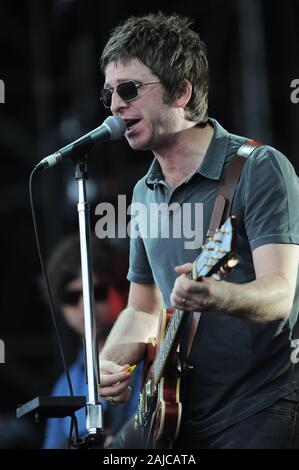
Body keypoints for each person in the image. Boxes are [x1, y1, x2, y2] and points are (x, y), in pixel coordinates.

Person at [97, 13, 299, 449]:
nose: (115, 106)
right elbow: (142, 309)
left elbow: (281, 294)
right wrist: (110, 363)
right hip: (173, 412)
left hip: (258, 406)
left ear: (182, 92)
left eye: (129, 90)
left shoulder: (257, 167)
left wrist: (216, 295)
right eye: (109, 93)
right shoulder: (143, 192)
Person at [42, 235, 142, 449]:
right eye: (71, 297)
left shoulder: (152, 354)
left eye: (96, 292)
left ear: (122, 289)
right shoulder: (64, 386)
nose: (84, 304)